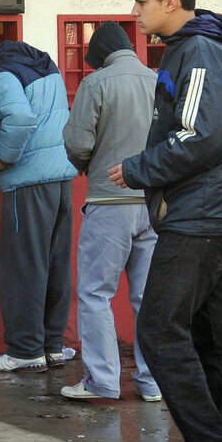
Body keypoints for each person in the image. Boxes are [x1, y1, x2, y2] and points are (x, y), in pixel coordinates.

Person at [109, 0, 222, 442]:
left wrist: (141, 168)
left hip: (203, 214)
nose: (134, 9)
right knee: (214, 336)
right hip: (218, 210)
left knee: (159, 328)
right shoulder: (195, 50)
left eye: (141, 0)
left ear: (172, 2)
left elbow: (202, 135)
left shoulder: (198, 51)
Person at [0, 28, 76, 372]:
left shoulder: (4, 73)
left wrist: (4, 158)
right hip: (61, 176)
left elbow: (21, 119)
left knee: (24, 266)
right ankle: (52, 345)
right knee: (55, 265)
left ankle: (25, 350)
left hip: (28, 180)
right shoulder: (46, 64)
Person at [59, 22, 160, 402]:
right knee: (148, 298)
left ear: (99, 55)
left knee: (95, 293)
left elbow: (78, 141)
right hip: (152, 203)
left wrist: (85, 163)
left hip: (109, 201)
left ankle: (102, 381)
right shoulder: (158, 80)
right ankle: (152, 383)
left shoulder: (96, 83)